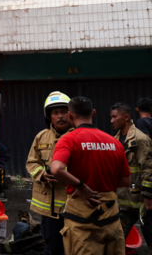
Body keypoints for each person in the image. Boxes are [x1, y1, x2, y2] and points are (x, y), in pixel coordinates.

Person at [50, 96, 131, 255]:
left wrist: (81, 186)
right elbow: (126, 181)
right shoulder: (114, 142)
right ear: (93, 113)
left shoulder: (68, 139)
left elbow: (56, 169)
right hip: (111, 216)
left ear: (70, 115)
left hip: (82, 218)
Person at [26, 91, 73, 255]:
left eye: (64, 112)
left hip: (74, 205)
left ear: (71, 114)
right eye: (55, 113)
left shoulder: (78, 136)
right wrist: (42, 175)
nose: (60, 116)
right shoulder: (41, 137)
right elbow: (32, 162)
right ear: (49, 117)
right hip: (49, 208)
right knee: (53, 248)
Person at [110, 102, 152, 250]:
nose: (112, 120)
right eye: (111, 117)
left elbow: (148, 169)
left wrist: (148, 195)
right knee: (116, 240)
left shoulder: (140, 140)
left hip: (142, 201)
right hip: (124, 201)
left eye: (115, 117)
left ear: (126, 117)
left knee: (150, 238)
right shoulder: (114, 141)